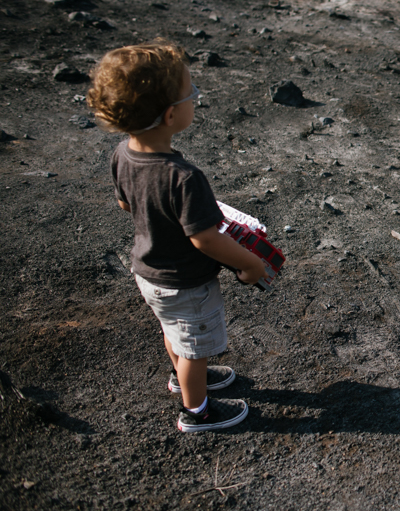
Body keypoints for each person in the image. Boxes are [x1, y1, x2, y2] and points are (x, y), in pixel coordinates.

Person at [87, 39, 267, 432]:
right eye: (192, 95)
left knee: (175, 333)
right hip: (185, 282)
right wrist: (250, 264)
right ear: (171, 115)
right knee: (194, 349)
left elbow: (125, 204)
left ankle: (183, 376)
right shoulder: (183, 177)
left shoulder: (122, 153)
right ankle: (197, 410)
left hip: (148, 272)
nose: (194, 102)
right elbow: (206, 239)